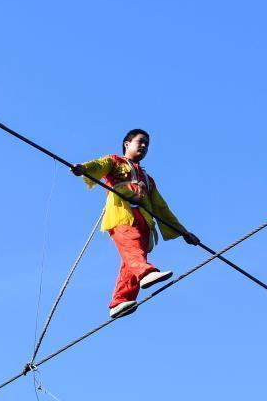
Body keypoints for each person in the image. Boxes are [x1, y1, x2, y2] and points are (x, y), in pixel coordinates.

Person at [71, 129, 200, 318]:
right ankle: (146, 273)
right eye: (140, 142)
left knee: (130, 262)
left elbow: (161, 208)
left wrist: (183, 232)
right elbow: (99, 165)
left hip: (144, 220)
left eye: (147, 144)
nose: (144, 146)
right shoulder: (115, 161)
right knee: (132, 248)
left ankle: (120, 301)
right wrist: (84, 169)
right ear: (127, 144)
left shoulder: (148, 180)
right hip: (122, 214)